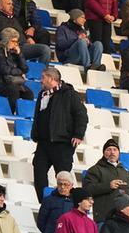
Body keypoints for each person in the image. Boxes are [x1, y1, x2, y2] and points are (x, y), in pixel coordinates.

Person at [30, 67, 87, 197]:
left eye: (43, 77)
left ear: (51, 78)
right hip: (43, 143)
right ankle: (43, 201)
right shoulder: (42, 94)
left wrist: (78, 134)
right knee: (39, 171)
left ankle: (63, 202)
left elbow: (81, 115)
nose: (41, 80)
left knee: (63, 176)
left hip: (62, 143)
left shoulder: (70, 94)